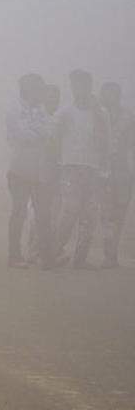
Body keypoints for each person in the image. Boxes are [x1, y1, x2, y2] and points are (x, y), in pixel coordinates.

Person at [53, 70, 111, 269]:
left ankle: (80, 258)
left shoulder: (100, 114)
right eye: (75, 85)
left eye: (82, 85)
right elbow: (54, 138)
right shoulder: (65, 112)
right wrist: (57, 162)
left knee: (89, 213)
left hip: (93, 168)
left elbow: (106, 141)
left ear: (89, 86)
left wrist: (104, 168)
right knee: (69, 210)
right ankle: (54, 251)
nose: (79, 89)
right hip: (70, 166)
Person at [5, 73, 53, 268]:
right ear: (29, 89)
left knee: (43, 213)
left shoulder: (42, 110)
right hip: (20, 168)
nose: (43, 92)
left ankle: (45, 256)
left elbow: (49, 133)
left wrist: (37, 134)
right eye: (39, 88)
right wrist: (39, 133)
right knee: (19, 211)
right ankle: (14, 255)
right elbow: (21, 135)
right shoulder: (14, 110)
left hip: (40, 169)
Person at [27, 83, 63, 263]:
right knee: (37, 214)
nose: (53, 100)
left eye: (56, 97)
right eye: (50, 97)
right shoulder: (36, 118)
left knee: (53, 213)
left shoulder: (60, 118)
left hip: (55, 173)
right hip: (37, 172)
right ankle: (34, 251)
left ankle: (47, 252)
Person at [100, 82, 134, 267]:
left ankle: (112, 253)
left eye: (111, 94)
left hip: (123, 171)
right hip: (103, 171)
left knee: (119, 212)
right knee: (106, 213)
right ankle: (108, 254)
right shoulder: (96, 116)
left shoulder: (129, 117)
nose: (106, 98)